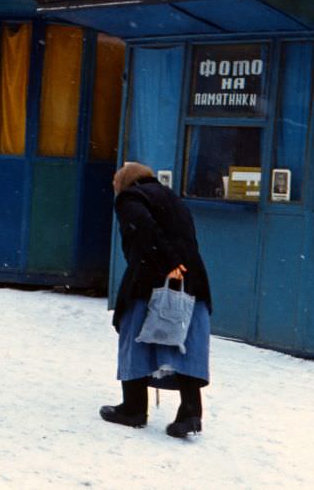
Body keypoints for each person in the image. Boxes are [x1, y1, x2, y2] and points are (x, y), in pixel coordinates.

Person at [100, 162, 213, 438]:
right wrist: (179, 264)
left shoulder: (130, 198)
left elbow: (144, 229)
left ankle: (133, 408)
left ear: (125, 183)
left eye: (116, 184)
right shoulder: (172, 197)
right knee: (183, 340)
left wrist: (168, 262)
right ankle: (190, 412)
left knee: (135, 334)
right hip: (192, 277)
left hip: (151, 277)